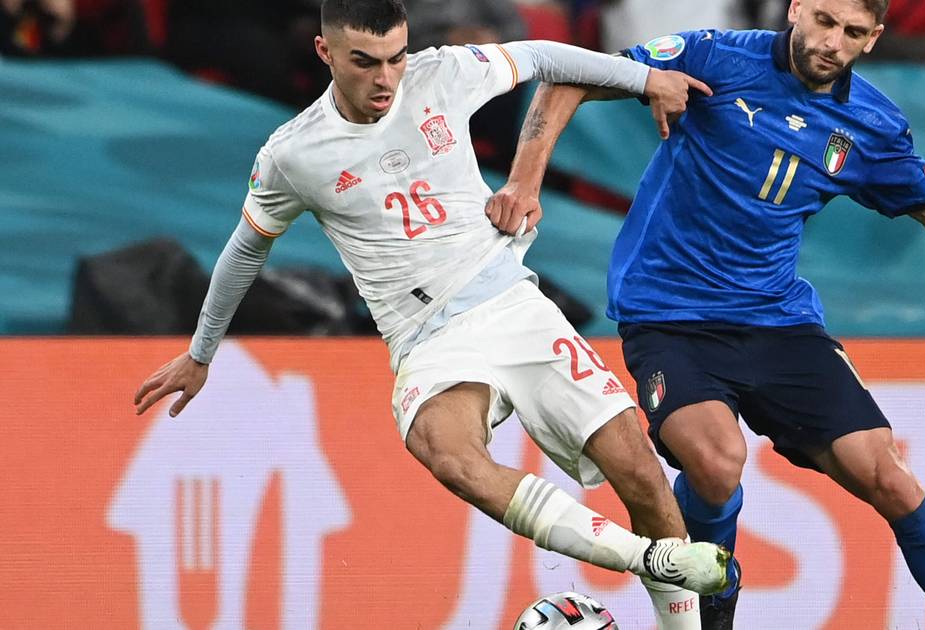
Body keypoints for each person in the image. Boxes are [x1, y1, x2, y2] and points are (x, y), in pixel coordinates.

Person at [487, 0, 925, 627]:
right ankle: (714, 596)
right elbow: (569, 74)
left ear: (873, 38)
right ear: (796, 10)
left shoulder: (871, 124)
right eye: (823, 20)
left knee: (891, 479)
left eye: (852, 31)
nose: (832, 42)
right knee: (716, 463)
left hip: (779, 321)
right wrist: (523, 181)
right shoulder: (714, 57)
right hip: (669, 315)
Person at [131, 1, 731, 627]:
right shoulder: (293, 154)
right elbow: (243, 251)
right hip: (427, 338)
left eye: (396, 58)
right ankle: (648, 557)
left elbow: (543, 56)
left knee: (638, 467)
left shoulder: (442, 72)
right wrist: (201, 353)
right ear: (325, 52)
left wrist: (645, 78)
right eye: (365, 62)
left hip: (509, 301)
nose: (386, 78)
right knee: (444, 450)